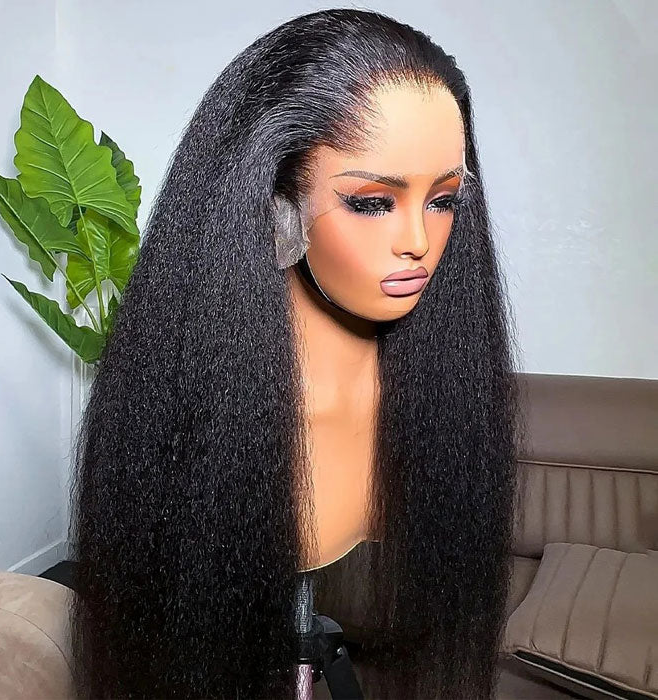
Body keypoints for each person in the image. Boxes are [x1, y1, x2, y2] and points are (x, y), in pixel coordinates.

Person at [68, 8, 524, 699]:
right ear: (279, 203)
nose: (418, 242)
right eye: (372, 202)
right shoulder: (207, 413)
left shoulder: (441, 394)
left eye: (442, 201)